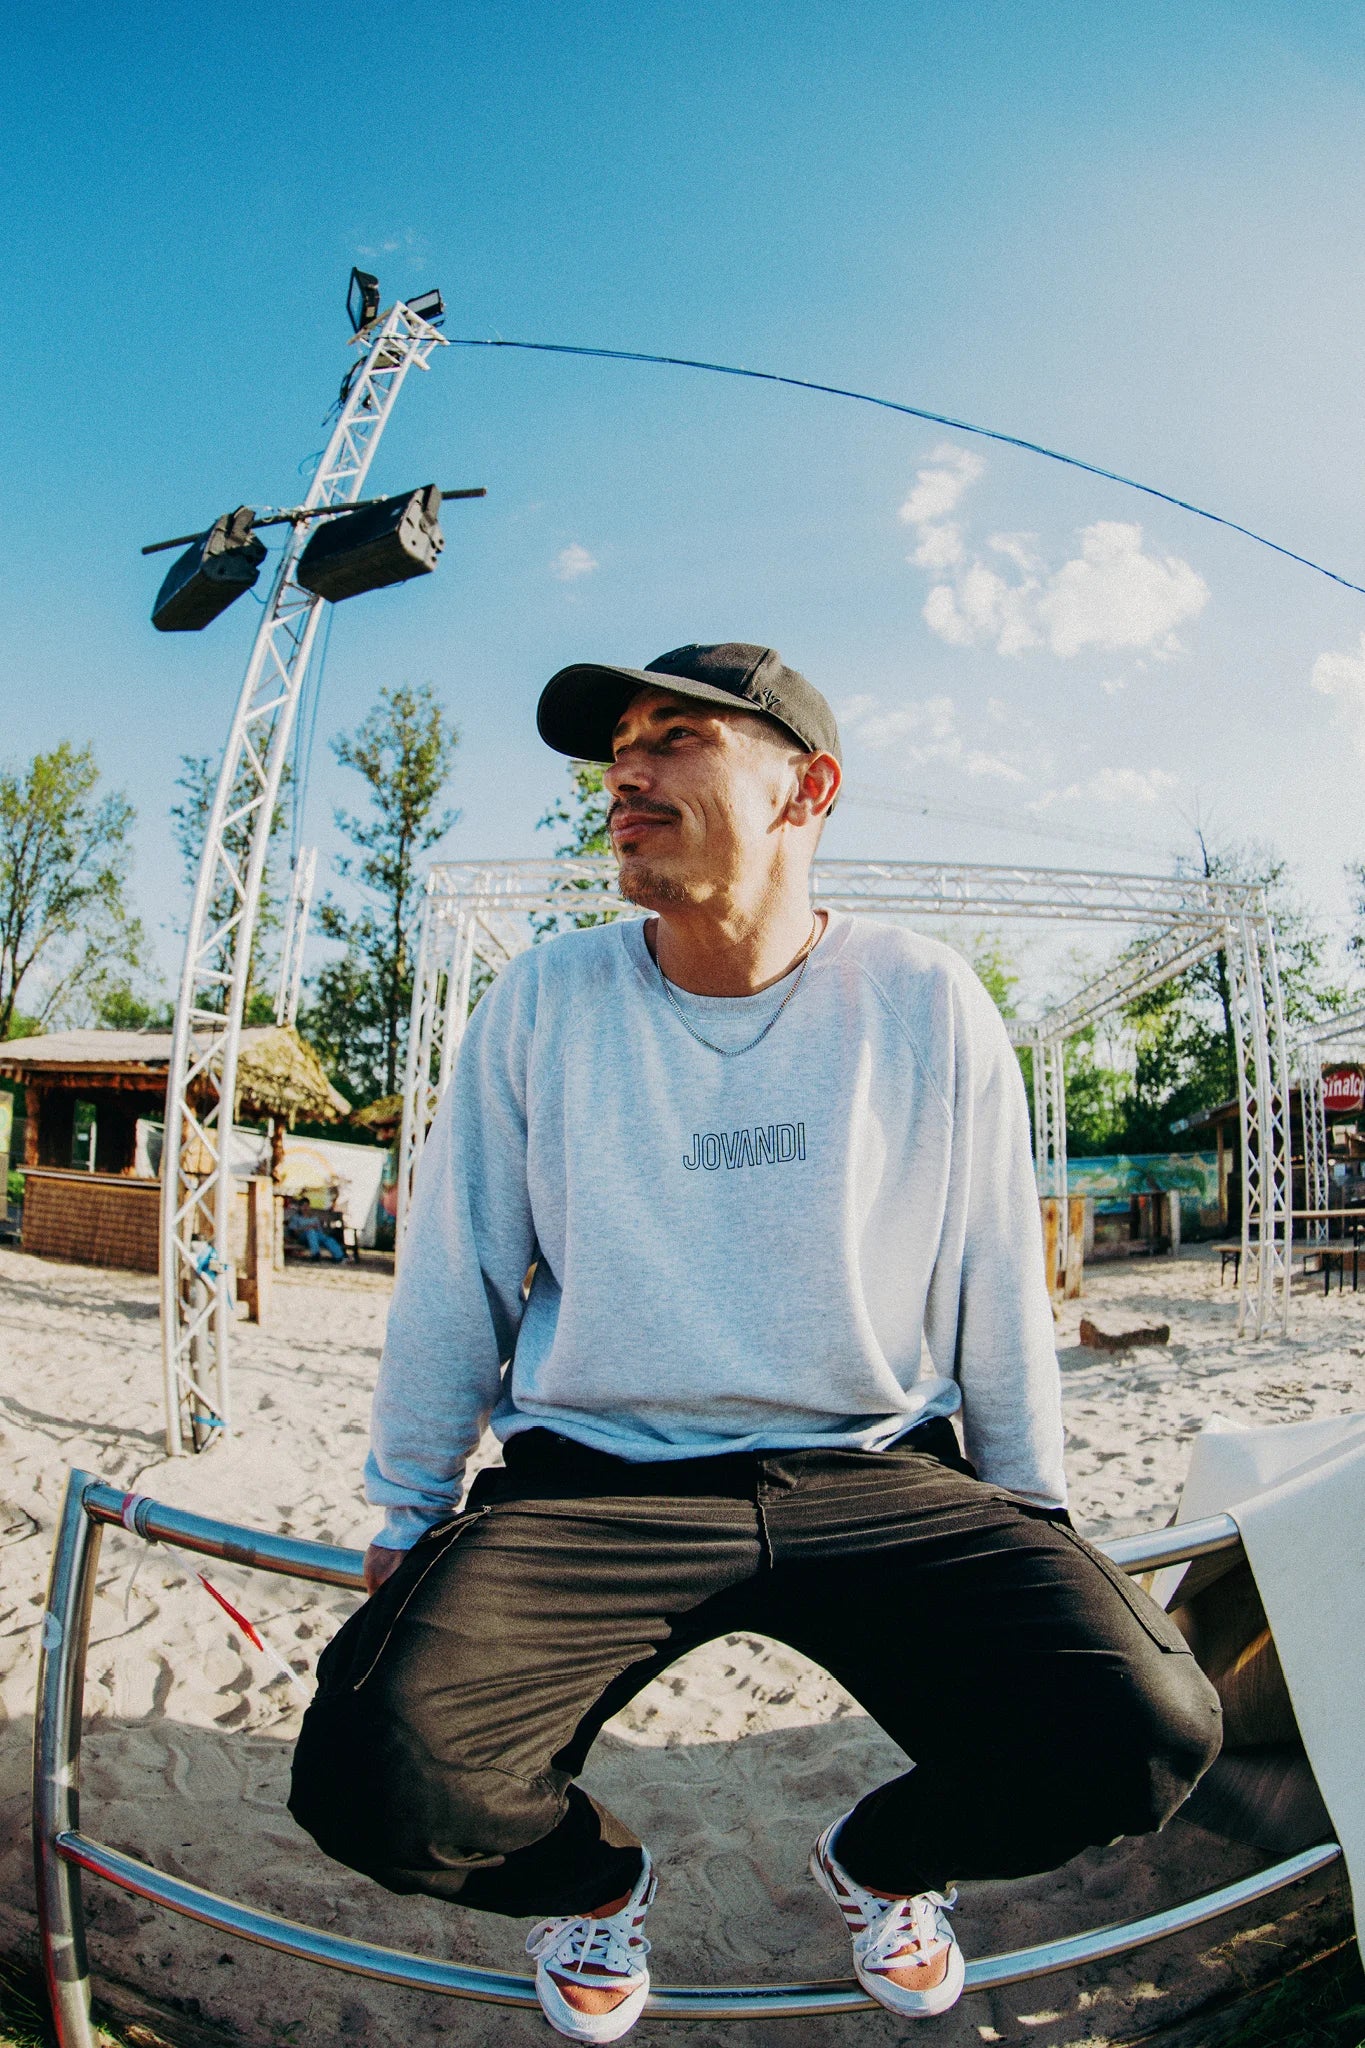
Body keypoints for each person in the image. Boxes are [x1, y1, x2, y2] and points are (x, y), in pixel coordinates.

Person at [290, 643, 1221, 2040]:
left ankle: (881, 1865)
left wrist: (1029, 1506)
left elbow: (991, 1278)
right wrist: (409, 1501)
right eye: (617, 749)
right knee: (375, 1772)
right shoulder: (546, 1002)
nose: (626, 771)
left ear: (807, 790)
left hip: (873, 1465)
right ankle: (596, 1887)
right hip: (595, 1474)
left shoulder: (924, 999)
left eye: (675, 738)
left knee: (1148, 1725)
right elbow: (456, 1271)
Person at [284, 1194, 344, 1263]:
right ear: (299, 1207)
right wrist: (305, 1228)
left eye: (307, 1206)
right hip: (303, 1237)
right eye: (303, 1206)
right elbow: (294, 1231)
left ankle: (339, 1256)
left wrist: (315, 1228)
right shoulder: (296, 1218)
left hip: (316, 1236)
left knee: (328, 1239)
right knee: (311, 1232)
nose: (305, 1208)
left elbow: (320, 1231)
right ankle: (315, 1254)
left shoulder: (314, 1218)